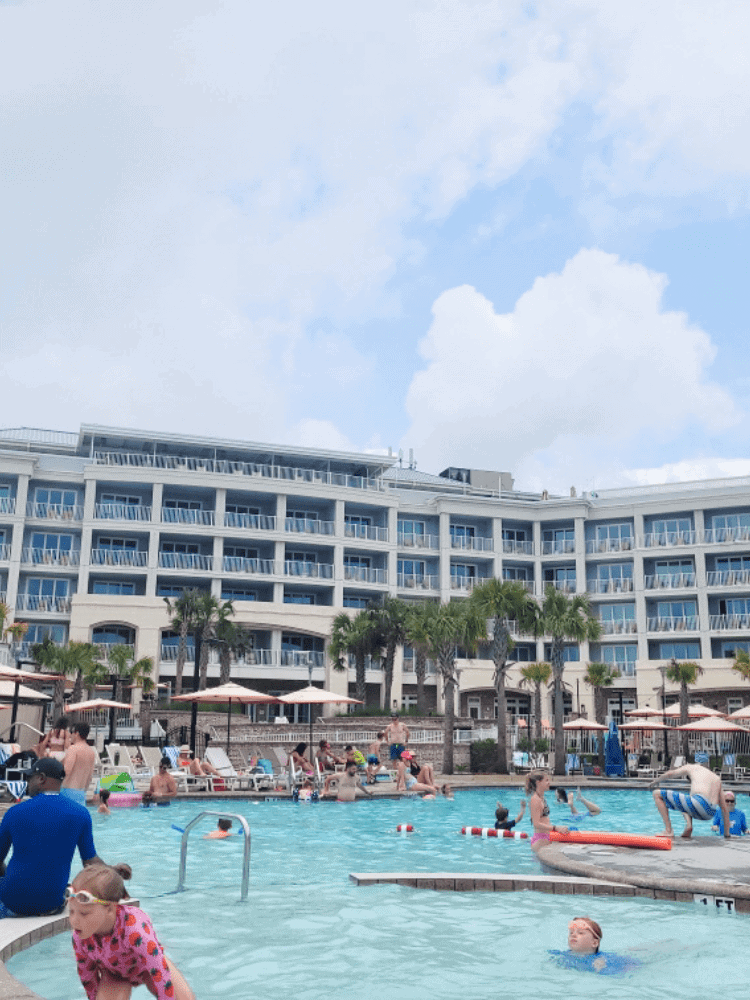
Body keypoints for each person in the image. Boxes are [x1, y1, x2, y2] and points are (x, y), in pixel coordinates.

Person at [68, 861, 195, 999]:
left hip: (147, 967)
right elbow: (87, 974)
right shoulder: (81, 935)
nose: (74, 921)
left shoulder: (133, 929)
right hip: (114, 973)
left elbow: (158, 968)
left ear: (110, 908)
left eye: (84, 914)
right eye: (71, 911)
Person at [0, 758, 101, 918]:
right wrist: (114, 871)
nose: (27, 783)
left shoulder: (14, 812)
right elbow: (90, 863)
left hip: (14, 901)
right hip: (52, 903)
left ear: (41, 778)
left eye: (29, 778)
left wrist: (8, 878)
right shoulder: (80, 813)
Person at [649, 762, 731, 839]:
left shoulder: (692, 767)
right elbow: (725, 810)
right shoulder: (716, 778)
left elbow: (671, 773)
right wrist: (727, 835)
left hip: (700, 803)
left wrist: (656, 781)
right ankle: (689, 826)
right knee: (686, 801)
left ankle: (668, 831)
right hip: (710, 813)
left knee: (656, 794)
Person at [549, 916, 640, 976]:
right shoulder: (559, 955)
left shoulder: (601, 960)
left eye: (580, 933)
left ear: (594, 943)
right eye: (571, 933)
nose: (573, 935)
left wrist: (601, 968)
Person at [526, 771, 568, 851]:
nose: (549, 783)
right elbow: (536, 824)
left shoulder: (542, 797)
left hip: (546, 837)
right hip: (540, 839)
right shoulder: (535, 799)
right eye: (546, 780)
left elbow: (544, 819)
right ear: (538, 783)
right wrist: (556, 828)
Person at [61, 722, 96, 806]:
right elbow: (89, 777)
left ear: (76, 733)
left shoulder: (73, 749)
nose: (70, 735)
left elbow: (67, 770)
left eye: (71, 733)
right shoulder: (91, 752)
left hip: (68, 792)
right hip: (81, 793)